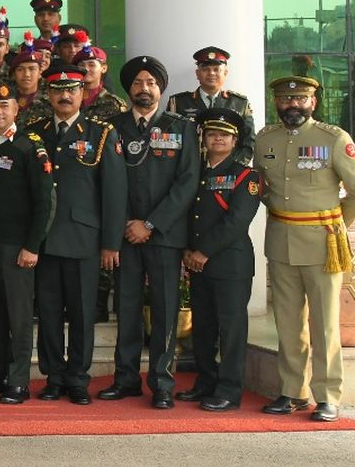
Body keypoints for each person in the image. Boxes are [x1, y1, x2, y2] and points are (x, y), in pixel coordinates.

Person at [256, 74, 355, 422]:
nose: (292, 105)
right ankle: (292, 392)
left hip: (323, 243)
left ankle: (327, 396)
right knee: (288, 324)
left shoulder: (333, 139)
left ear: (313, 102)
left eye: (300, 99)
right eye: (285, 100)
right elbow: (260, 185)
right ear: (276, 103)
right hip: (281, 241)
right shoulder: (267, 139)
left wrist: (335, 223)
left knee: (324, 324)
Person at [103, 55, 200, 409]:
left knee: (164, 309)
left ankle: (161, 382)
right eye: (138, 83)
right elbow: (109, 185)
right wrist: (125, 226)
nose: (145, 89)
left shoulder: (181, 128)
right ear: (129, 89)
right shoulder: (112, 127)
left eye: (151, 83)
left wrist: (151, 223)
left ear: (160, 88)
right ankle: (126, 378)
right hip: (125, 236)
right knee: (126, 309)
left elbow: (187, 183)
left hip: (164, 235)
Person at [34, 63, 125, 405]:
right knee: (49, 311)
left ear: (82, 92)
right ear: (49, 94)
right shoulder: (36, 131)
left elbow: (114, 193)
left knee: (83, 313)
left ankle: (78, 378)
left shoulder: (100, 133)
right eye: (58, 90)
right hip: (43, 240)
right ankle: (54, 376)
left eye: (71, 89)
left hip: (84, 240)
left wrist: (110, 243)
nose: (65, 95)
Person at [0, 82, 55, 404]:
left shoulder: (30, 146)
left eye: (5, 107)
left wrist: (33, 246)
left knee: (18, 317)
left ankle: (18, 380)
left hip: (17, 247)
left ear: (16, 110)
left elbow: (46, 201)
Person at [178, 108, 262, 413]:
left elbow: (236, 221)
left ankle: (228, 389)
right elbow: (189, 216)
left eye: (224, 135)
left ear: (235, 140)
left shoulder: (246, 175)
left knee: (231, 329)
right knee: (203, 327)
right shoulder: (195, 172)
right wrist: (187, 250)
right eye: (212, 133)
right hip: (197, 263)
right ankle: (206, 381)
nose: (217, 139)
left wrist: (203, 252)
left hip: (229, 265)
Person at [167, 46, 257, 161]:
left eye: (216, 69)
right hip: (188, 172)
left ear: (225, 73)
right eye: (205, 69)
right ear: (197, 73)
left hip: (228, 174)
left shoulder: (240, 103)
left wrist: (232, 168)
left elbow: (248, 143)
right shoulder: (178, 103)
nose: (211, 73)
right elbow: (171, 143)